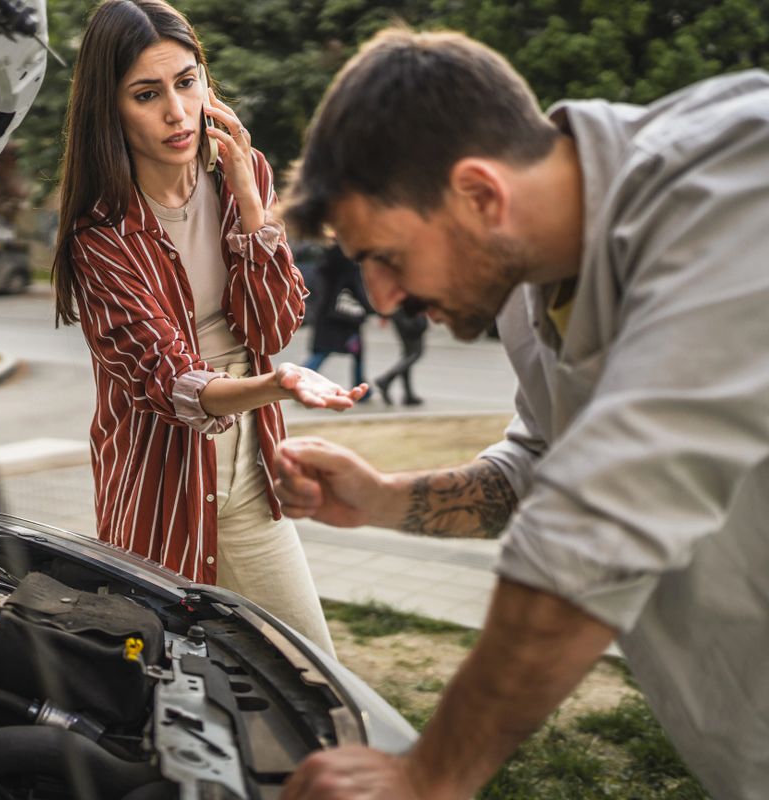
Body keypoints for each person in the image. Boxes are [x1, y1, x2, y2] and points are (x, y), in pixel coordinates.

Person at [274, 27, 769, 800]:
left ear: (480, 194)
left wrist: (431, 775)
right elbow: (545, 465)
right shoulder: (525, 285)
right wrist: (386, 499)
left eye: (388, 258)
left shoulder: (737, 177)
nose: (382, 301)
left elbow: (605, 508)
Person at [50, 0, 367, 656]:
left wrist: (251, 202)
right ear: (110, 109)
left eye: (187, 82)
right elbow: (170, 384)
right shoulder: (101, 234)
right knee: (157, 680)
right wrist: (276, 384)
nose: (177, 111)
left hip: (250, 475)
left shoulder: (240, 178)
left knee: (309, 666)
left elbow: (272, 326)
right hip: (159, 487)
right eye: (147, 94)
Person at [304, 241, 372, 391]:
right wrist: (370, 308)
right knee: (354, 352)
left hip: (327, 315)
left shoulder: (326, 262)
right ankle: (299, 379)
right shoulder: (351, 266)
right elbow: (358, 289)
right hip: (346, 319)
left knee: (324, 351)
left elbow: (315, 288)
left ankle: (361, 386)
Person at [374, 305, 427, 406]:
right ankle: (386, 379)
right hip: (411, 311)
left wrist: (384, 315)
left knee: (408, 354)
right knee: (415, 353)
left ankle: (408, 394)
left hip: (399, 313)